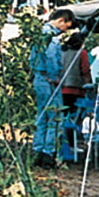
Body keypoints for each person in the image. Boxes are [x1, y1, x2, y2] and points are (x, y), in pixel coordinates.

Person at [30, 9, 75, 167]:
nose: (65, 31)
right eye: (66, 27)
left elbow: (32, 58)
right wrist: (54, 76)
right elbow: (50, 57)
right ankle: (48, 153)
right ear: (62, 20)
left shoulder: (38, 33)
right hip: (48, 80)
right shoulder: (51, 37)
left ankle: (37, 150)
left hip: (38, 77)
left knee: (41, 115)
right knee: (54, 117)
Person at [60, 31, 91, 111]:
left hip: (61, 87)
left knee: (63, 114)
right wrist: (88, 83)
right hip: (76, 89)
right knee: (75, 115)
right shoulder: (81, 53)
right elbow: (85, 70)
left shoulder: (62, 51)